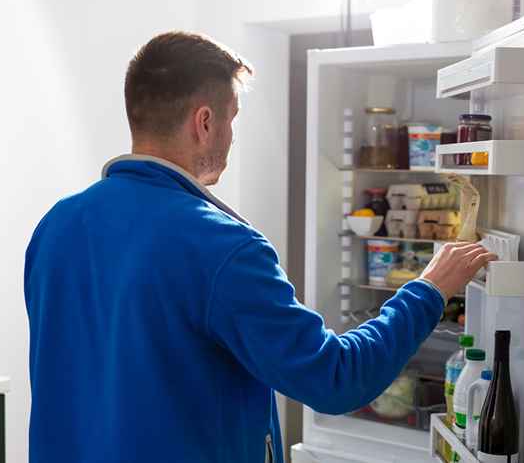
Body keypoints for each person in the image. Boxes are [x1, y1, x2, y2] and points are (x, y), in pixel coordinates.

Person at [24, 32, 496, 463]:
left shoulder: (56, 225)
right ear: (204, 122)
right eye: (232, 119)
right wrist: (429, 289)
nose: (231, 136)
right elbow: (336, 379)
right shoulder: (221, 245)